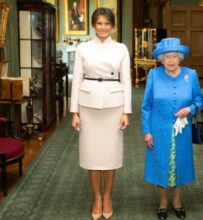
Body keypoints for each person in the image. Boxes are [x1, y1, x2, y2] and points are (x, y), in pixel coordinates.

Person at [70, 7, 131, 220]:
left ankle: (108, 196)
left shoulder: (121, 48)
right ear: (93, 25)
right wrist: (74, 112)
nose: (103, 27)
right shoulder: (83, 49)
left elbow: (127, 81)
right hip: (88, 106)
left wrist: (126, 112)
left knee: (110, 155)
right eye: (99, 23)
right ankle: (97, 197)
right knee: (92, 155)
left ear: (112, 26)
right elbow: (76, 80)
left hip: (114, 106)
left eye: (107, 23)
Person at [141, 38, 203, 220]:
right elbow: (146, 106)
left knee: (180, 165)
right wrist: (147, 131)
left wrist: (189, 109)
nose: (170, 60)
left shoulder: (190, 75)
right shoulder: (153, 74)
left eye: (174, 56)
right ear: (161, 58)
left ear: (180, 57)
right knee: (160, 164)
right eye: (167, 56)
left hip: (181, 131)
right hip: (158, 129)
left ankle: (177, 202)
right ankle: (162, 202)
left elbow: (199, 101)